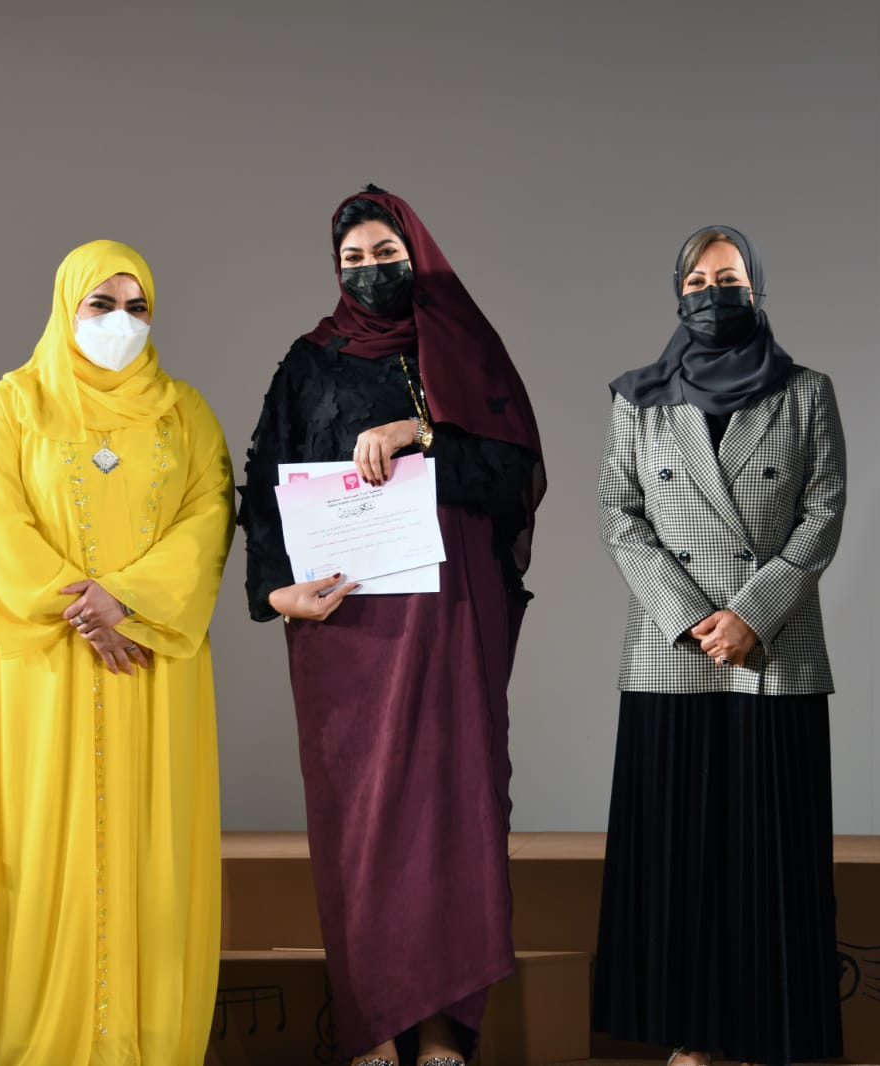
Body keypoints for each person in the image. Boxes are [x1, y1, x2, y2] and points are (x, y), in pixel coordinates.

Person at [237, 187, 544, 1066]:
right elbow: (264, 486)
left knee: (453, 807)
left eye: (386, 255)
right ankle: (374, 1026)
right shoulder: (310, 362)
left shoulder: (466, 351)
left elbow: (514, 474)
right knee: (361, 820)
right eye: (354, 260)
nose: (371, 272)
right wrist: (275, 593)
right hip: (346, 628)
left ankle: (445, 1027)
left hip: (449, 621)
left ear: (418, 255)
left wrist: (425, 431)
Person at [0, 240, 234, 1065]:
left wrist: (127, 601)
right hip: (47, 665)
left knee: (151, 849)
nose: (120, 321)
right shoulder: (12, 406)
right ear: (66, 306)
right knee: (42, 847)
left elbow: (211, 517)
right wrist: (85, 608)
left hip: (150, 661)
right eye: (100, 304)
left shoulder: (185, 413)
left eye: (137, 307)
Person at [594, 225, 847, 1066]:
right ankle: (693, 1042)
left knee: (773, 858)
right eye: (697, 281)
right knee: (679, 861)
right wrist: (690, 614)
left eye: (728, 277)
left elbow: (823, 513)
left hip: (773, 650)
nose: (712, 293)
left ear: (757, 288)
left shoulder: (806, 392)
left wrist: (751, 614)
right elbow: (619, 515)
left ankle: (770, 1038)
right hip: (671, 649)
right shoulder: (637, 399)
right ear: (678, 294)